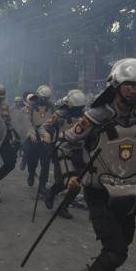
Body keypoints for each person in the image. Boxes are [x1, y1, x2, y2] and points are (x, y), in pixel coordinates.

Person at [64, 58, 136, 271]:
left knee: (121, 248)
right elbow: (66, 145)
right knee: (115, 249)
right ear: (116, 85)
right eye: (129, 85)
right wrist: (70, 175)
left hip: (130, 193)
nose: (134, 91)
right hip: (99, 192)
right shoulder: (95, 116)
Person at [39, 89, 88, 219]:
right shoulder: (59, 115)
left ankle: (63, 207)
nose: (80, 111)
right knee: (61, 182)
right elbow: (43, 127)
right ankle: (51, 193)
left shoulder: (86, 116)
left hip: (79, 152)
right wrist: (46, 137)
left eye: (81, 108)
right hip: (61, 151)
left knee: (76, 184)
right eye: (77, 108)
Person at [25, 86, 54, 197]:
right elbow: (27, 120)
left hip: (46, 134)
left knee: (45, 162)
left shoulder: (51, 105)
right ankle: (31, 173)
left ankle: (42, 185)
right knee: (32, 159)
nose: (44, 101)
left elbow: (54, 119)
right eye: (43, 98)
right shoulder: (31, 105)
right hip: (34, 134)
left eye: (46, 98)